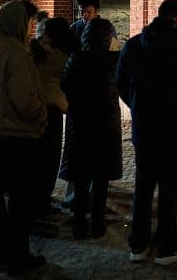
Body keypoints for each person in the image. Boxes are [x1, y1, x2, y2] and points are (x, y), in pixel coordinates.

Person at [116, 0, 177, 265]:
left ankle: (138, 245)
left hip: (144, 127)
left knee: (143, 186)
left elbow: (120, 81)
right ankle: (166, 246)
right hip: (175, 129)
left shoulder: (133, 45)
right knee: (169, 189)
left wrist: (136, 105)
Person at [0, 0, 47, 275]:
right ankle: (18, 256)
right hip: (19, 134)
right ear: (19, 23)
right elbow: (24, 99)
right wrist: (41, 112)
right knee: (21, 200)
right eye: (30, 23)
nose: (32, 29)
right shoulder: (17, 54)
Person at [60, 18, 122, 239]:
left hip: (81, 122)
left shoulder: (77, 58)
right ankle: (98, 223)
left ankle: (78, 224)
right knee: (101, 177)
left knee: (81, 174)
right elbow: (122, 84)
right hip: (106, 123)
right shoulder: (114, 60)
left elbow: (65, 84)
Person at [30, 17, 77, 218]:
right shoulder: (61, 57)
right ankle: (41, 202)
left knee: (38, 158)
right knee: (49, 160)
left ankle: (37, 199)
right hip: (53, 110)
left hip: (35, 109)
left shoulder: (34, 52)